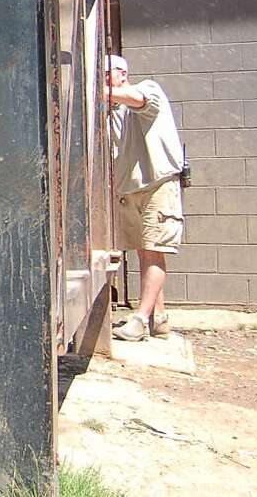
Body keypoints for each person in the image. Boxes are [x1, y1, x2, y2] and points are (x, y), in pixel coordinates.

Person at [106, 54, 185, 341]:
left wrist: (93, 90)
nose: (103, 81)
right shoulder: (111, 112)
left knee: (154, 251)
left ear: (122, 74)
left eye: (106, 74)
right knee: (144, 251)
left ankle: (140, 320)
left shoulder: (148, 90)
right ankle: (158, 318)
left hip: (157, 185)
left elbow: (137, 99)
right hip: (130, 190)